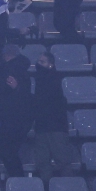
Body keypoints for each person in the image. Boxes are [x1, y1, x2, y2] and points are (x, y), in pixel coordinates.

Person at [32, 52, 75, 183]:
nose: (39, 64)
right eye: (38, 61)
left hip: (56, 127)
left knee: (63, 161)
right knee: (42, 162)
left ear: (51, 64)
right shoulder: (38, 80)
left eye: (42, 62)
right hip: (42, 127)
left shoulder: (54, 79)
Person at [0, 43, 33, 177]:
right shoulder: (21, 70)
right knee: (8, 150)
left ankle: (18, 178)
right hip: (20, 119)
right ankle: (17, 178)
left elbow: (4, 92)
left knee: (5, 150)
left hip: (13, 118)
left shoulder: (9, 70)